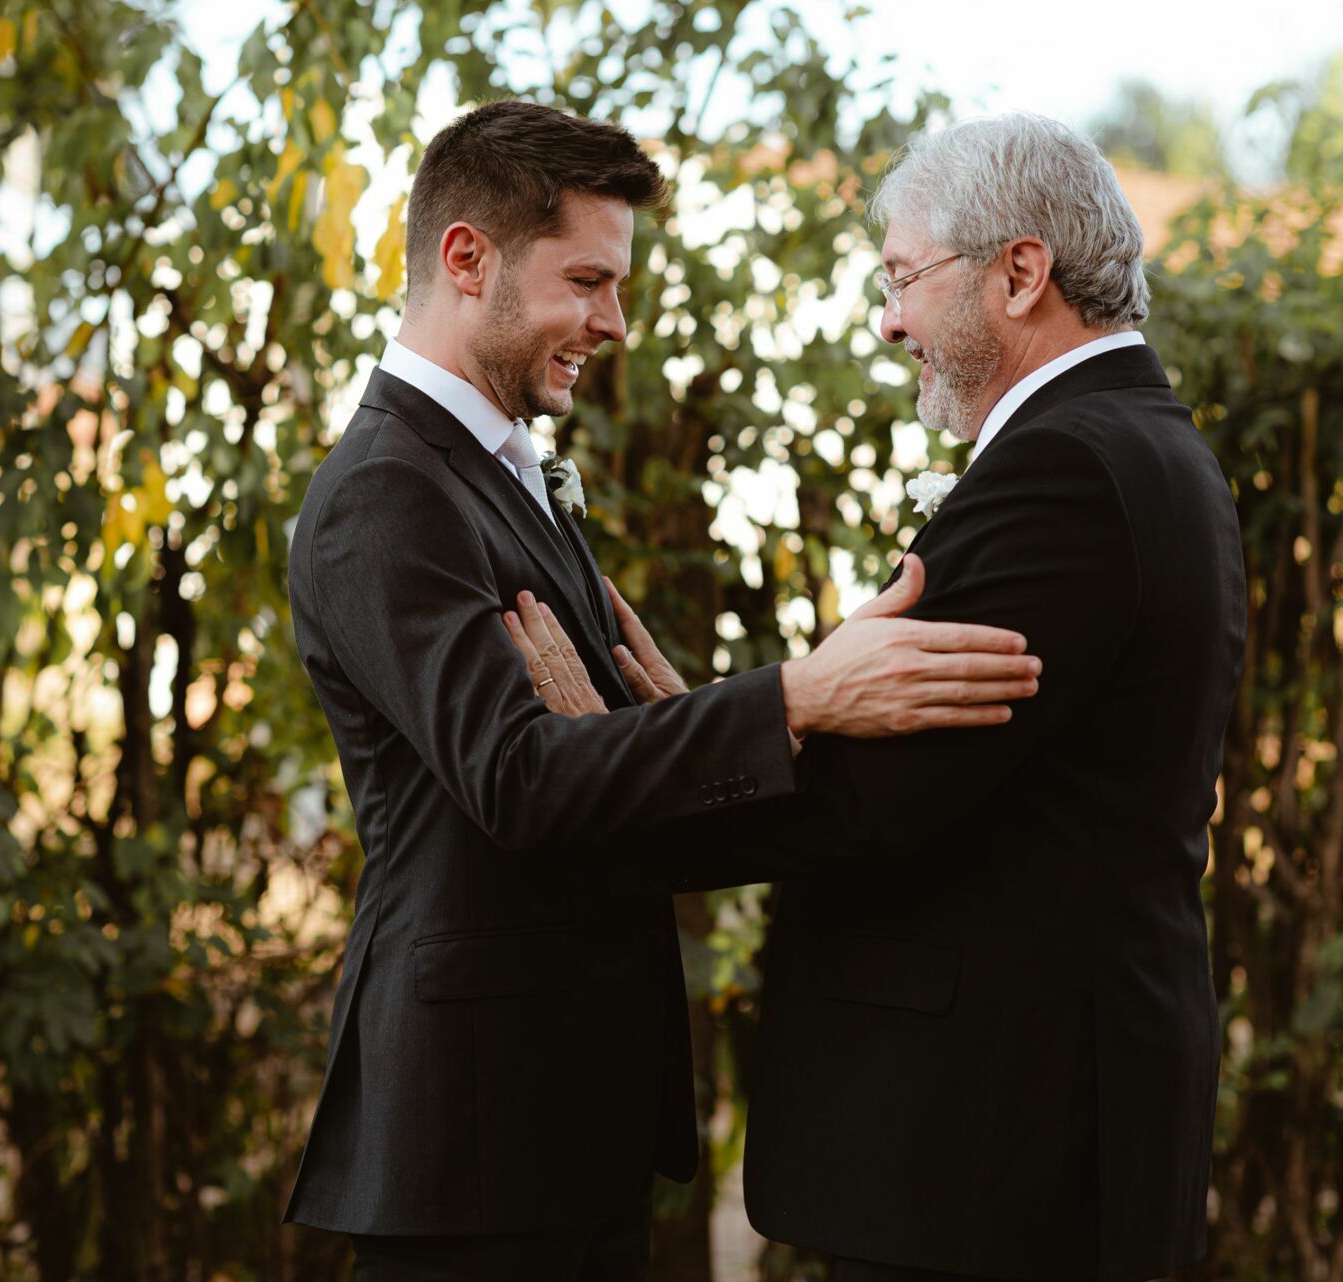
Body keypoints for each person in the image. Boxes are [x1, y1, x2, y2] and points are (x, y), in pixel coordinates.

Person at [280, 99, 1044, 1282]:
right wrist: (795, 697)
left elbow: (600, 777)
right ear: (465, 258)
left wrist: (702, 727)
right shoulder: (387, 492)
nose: (613, 321)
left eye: (619, 285)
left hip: (562, 1119)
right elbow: (522, 778)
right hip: (470, 1146)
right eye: (587, 280)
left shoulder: (501, 473)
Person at [521, 111, 1247, 1281]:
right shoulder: (1142, 446)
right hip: (1035, 1135)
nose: (890, 318)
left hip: (999, 1158)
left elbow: (866, 793)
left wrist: (633, 749)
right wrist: (769, 704)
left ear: (1021, 273)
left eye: (904, 278)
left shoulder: (1065, 471)